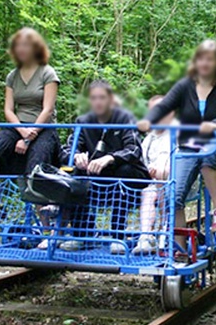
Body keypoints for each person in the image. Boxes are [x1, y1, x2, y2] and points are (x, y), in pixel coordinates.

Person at [138, 39, 216, 256]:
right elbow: (165, 105)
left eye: (210, 59)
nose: (205, 63)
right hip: (189, 146)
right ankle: (179, 249)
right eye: (201, 58)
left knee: (209, 155)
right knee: (173, 196)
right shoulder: (185, 86)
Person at [58, 80, 150, 251]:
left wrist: (110, 158)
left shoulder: (124, 118)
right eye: (94, 98)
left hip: (128, 177)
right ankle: (82, 235)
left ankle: (118, 235)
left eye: (102, 98)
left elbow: (134, 149)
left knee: (124, 171)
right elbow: (66, 150)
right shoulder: (83, 121)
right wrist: (76, 156)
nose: (98, 102)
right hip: (97, 178)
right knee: (73, 174)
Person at [0, 28, 60, 176]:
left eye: (26, 45)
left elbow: (48, 109)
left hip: (43, 127)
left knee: (35, 166)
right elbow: (8, 110)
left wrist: (29, 136)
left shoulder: (47, 72)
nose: (21, 49)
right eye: (18, 46)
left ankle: (35, 198)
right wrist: (22, 131)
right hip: (18, 126)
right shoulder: (12, 76)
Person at [136, 95, 175, 254]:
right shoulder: (149, 138)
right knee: (149, 189)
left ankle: (149, 235)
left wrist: (160, 171)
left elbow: (179, 161)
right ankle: (148, 235)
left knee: (152, 190)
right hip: (151, 181)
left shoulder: (177, 133)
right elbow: (139, 160)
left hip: (172, 181)